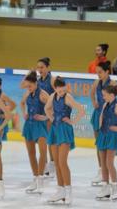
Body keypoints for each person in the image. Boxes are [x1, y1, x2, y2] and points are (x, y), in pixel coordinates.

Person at [45, 77, 85, 205]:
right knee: (56, 163)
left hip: (65, 130)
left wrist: (72, 121)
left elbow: (81, 110)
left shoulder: (68, 97)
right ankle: (60, 190)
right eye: (59, 90)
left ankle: (68, 192)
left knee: (62, 162)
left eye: (63, 90)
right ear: (55, 89)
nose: (62, 92)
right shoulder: (52, 96)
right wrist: (52, 119)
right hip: (55, 130)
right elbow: (47, 109)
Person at [20, 70, 50, 195]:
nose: (28, 88)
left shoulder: (43, 94)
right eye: (27, 86)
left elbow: (53, 107)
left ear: (36, 83)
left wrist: (45, 117)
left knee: (42, 153)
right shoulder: (27, 93)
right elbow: (22, 103)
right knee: (31, 153)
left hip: (41, 126)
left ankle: (41, 180)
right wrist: (24, 113)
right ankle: (35, 178)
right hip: (29, 125)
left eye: (30, 86)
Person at [94, 83, 117, 202]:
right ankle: (105, 187)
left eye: (104, 95)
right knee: (103, 163)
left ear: (112, 95)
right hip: (103, 134)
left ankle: (115, 187)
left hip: (112, 136)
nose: (103, 97)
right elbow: (101, 117)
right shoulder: (106, 104)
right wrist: (100, 128)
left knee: (109, 163)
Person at [89, 60, 113, 187]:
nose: (98, 74)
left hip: (108, 117)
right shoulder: (97, 82)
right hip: (98, 114)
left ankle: (107, 172)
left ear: (107, 72)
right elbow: (92, 93)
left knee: (106, 146)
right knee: (99, 144)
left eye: (100, 72)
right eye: (97, 72)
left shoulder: (113, 84)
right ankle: (101, 170)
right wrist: (93, 102)